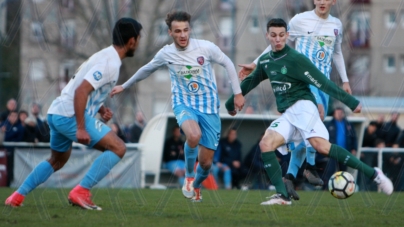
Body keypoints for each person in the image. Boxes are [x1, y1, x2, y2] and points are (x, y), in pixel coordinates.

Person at [225, 18, 393, 205]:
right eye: (273, 35)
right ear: (268, 36)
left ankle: (375, 174)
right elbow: (250, 82)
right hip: (288, 114)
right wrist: (231, 104)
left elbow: (323, 82)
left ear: (287, 35)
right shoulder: (265, 61)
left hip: (305, 107)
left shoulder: (296, 59)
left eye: (282, 35)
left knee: (321, 146)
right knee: (266, 143)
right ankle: (282, 196)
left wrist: (351, 102)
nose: (278, 39)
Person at [5, 18, 143, 209]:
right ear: (131, 41)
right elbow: (81, 91)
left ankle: (17, 196)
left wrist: (100, 108)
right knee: (118, 148)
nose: (139, 42)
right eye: (139, 38)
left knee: (57, 160)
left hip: (56, 113)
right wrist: (80, 128)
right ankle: (81, 191)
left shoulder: (104, 55)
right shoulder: (110, 63)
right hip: (70, 116)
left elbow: (83, 86)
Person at [111, 11, 244, 202]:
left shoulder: (206, 48)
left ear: (190, 30)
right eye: (178, 31)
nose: (182, 35)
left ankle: (197, 185)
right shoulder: (166, 53)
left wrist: (238, 93)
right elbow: (146, 69)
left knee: (206, 164)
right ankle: (189, 177)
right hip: (184, 104)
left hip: (209, 109)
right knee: (193, 135)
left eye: (185, 30)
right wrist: (124, 85)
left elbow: (228, 64)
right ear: (170, 32)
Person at [238, 0, 351, 193]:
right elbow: (277, 43)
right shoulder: (300, 20)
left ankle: (290, 176)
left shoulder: (336, 25)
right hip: (302, 81)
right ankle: (310, 167)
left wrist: (345, 80)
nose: (322, 1)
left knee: (308, 134)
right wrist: (256, 64)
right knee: (313, 127)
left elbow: (337, 52)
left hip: (322, 84)